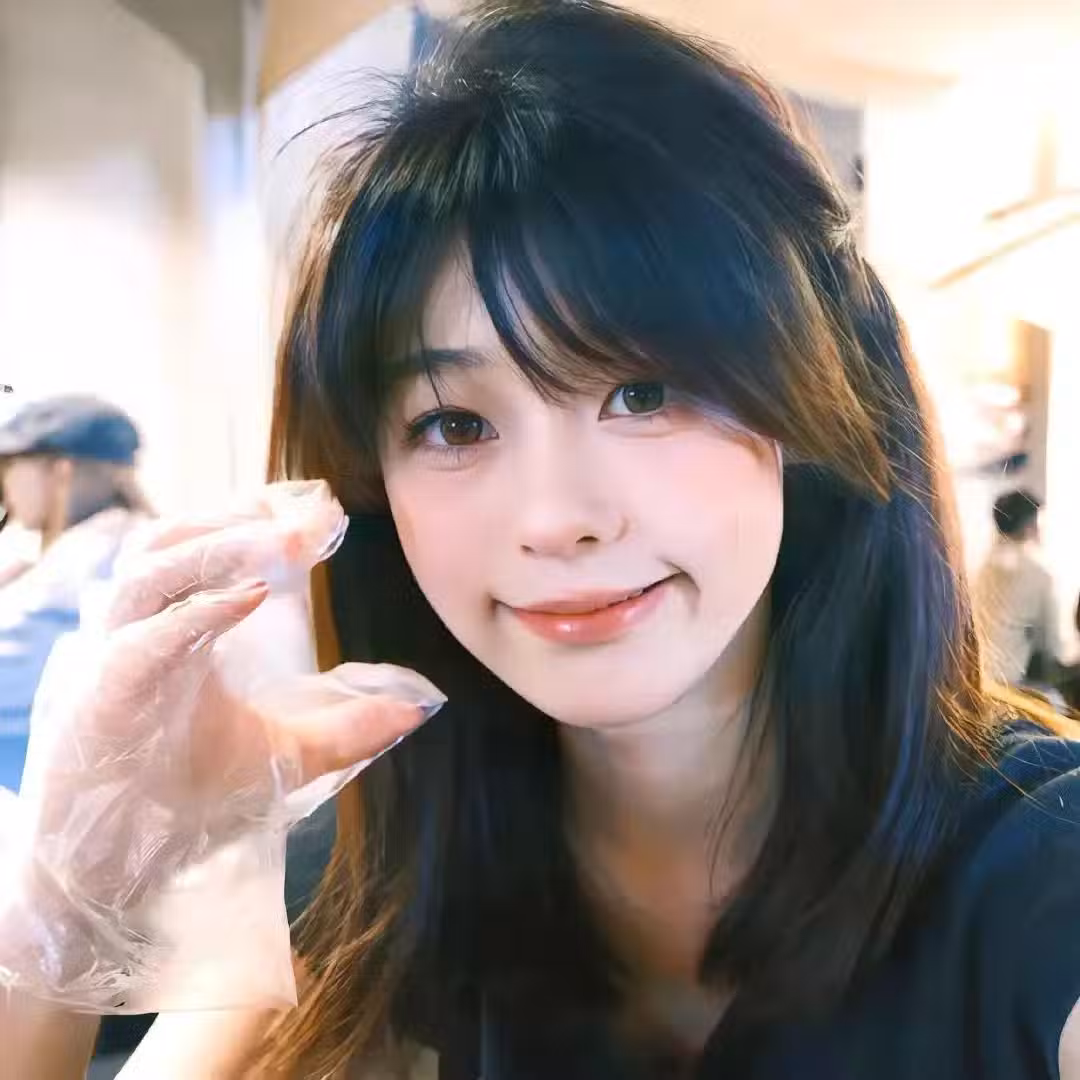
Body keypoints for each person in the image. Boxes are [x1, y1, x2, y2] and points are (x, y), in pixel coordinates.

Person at [5, 4, 1080, 1078]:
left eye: (643, 392)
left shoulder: (1039, 862)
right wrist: (65, 899)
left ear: (809, 399)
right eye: (454, 425)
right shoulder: (369, 878)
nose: (556, 518)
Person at [0, 395, 153, 792]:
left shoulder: (90, 553)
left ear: (59, 471)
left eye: (9, 467)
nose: (5, 487)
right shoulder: (119, 538)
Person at [974, 489, 1064, 688]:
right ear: (1028, 525)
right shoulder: (1038, 576)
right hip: (1011, 683)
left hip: (976, 677)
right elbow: (1051, 644)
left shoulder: (979, 569)